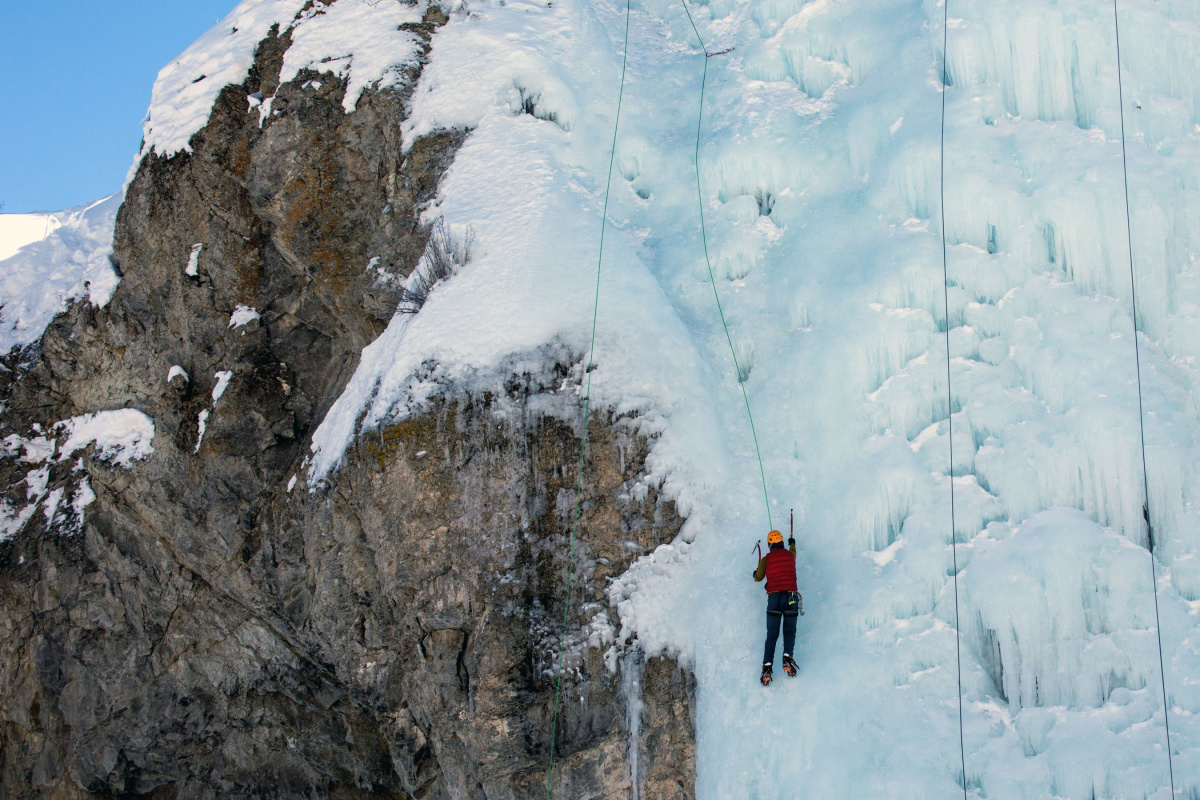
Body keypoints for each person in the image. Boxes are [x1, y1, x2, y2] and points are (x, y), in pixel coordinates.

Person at [753, 529, 802, 686]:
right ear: (781, 542)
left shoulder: (766, 559)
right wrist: (792, 543)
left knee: (772, 635)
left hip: (774, 598)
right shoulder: (790, 555)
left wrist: (756, 572)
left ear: (769, 544)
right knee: (789, 631)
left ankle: (767, 667)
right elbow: (793, 552)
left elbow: (758, 578)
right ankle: (787, 658)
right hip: (791, 597)